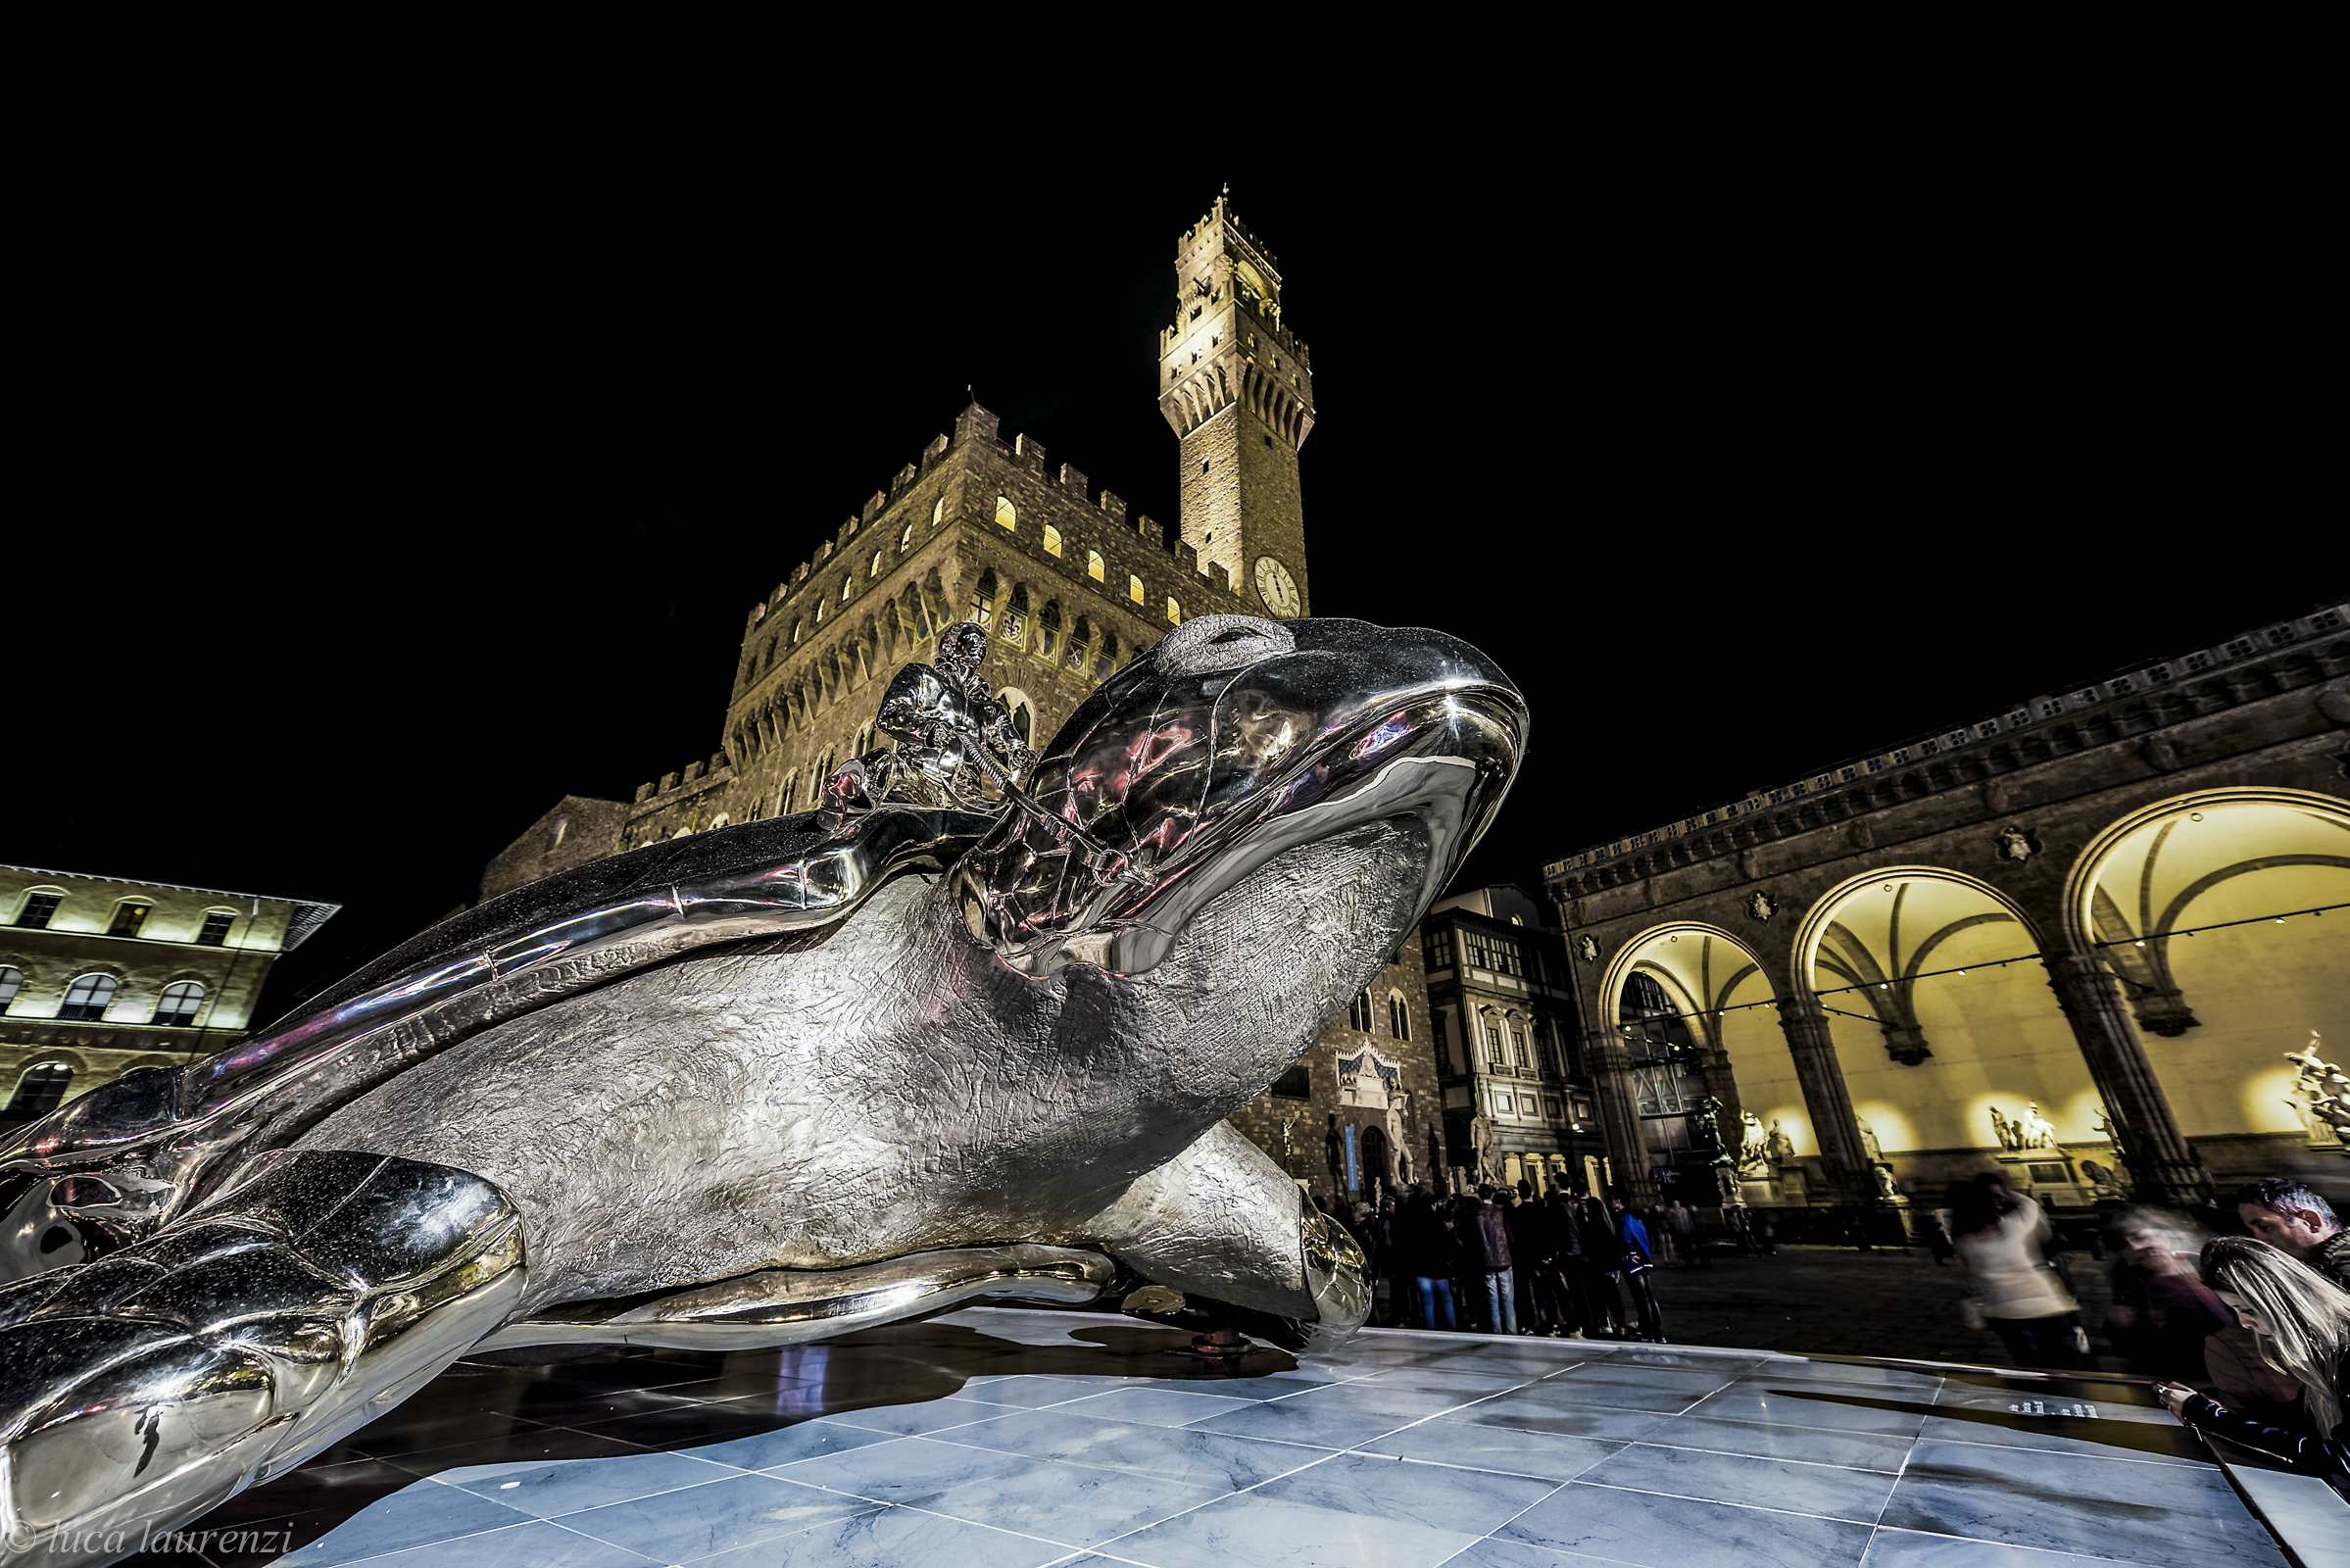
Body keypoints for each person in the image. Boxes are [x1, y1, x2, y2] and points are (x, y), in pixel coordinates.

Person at [2155, 1236, 2350, 1502]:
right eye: (2234, 1310)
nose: (2244, 1323)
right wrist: (2203, 1407)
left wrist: (2206, 1414)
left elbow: (2337, 1462)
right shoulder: (2329, 1354)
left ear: (2281, 1300)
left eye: (2247, 1309)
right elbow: (2301, 1425)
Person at [1948, 1173, 2085, 1369]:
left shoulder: (1963, 1240)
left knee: (2032, 1368)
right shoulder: (2015, 1226)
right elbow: (2030, 1205)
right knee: (2072, 1365)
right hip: (2048, 1305)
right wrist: (2004, 1192)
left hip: (2007, 1313)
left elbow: (1970, 1278)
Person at [2102, 1207, 2231, 1380]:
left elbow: (2229, 1327)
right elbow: (2129, 1346)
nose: (2135, 1246)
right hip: (2162, 1377)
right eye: (2126, 1243)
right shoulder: (2130, 1281)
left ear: (2168, 1235)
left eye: (2141, 1237)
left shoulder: (2209, 1268)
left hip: (2215, 1375)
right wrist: (2118, 1325)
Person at [2234, 1179, 2350, 1290]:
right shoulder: (2324, 1270)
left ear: (2310, 1222)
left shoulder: (2341, 1273)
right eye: (2252, 1230)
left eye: (2264, 1227)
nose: (2259, 1239)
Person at [1395, 1189, 1457, 1331]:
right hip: (1440, 1268)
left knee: (1427, 1304)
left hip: (1421, 1269)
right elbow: (1446, 1244)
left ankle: (1431, 1332)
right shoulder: (1437, 1222)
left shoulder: (1413, 1223)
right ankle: (1453, 1331)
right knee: (1447, 1302)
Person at [1611, 1194, 1665, 1342]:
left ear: (1618, 1199)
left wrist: (1631, 1253)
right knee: (1649, 1296)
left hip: (1632, 1262)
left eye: (1611, 1199)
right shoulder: (1636, 1216)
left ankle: (1647, 1333)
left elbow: (1624, 1236)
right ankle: (1657, 1331)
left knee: (1641, 1298)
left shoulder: (1622, 1218)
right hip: (1644, 1260)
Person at [1472, 1187, 1518, 1336]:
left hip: (1487, 1261)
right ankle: (1512, 1332)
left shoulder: (1476, 1215)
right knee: (1508, 1301)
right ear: (1492, 1196)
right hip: (1504, 1259)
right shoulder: (1500, 1214)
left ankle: (1497, 1333)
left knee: (1493, 1301)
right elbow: (1511, 1237)